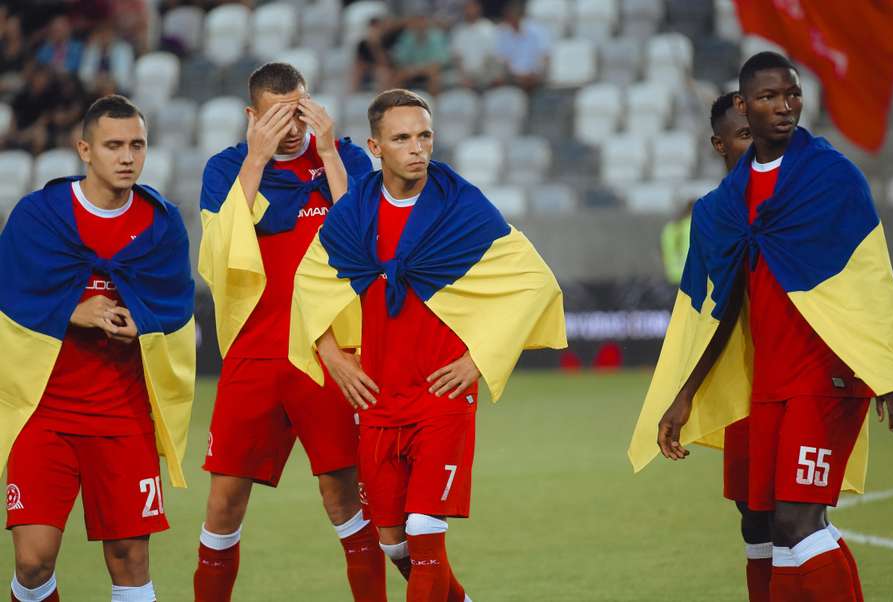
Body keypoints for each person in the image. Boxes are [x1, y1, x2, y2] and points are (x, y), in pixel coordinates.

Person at [629, 52, 893, 601]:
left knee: (799, 523)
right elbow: (722, 307)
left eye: (792, 94)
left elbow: (871, 276)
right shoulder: (726, 205)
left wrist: (889, 371)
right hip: (768, 384)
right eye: (770, 97)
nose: (784, 106)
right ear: (745, 108)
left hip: (827, 375)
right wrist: (685, 394)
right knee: (775, 529)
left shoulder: (830, 174)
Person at [289, 88, 567, 601]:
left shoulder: (462, 205)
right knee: (391, 540)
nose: (417, 148)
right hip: (377, 398)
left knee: (423, 530)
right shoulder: (355, 211)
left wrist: (479, 358)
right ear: (375, 147)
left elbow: (537, 284)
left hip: (442, 396)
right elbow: (309, 282)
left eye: (424, 135)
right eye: (401, 138)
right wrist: (330, 354)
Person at [193, 62, 386, 601]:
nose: (294, 126)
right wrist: (256, 158)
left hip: (332, 356)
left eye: (300, 110)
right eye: (278, 115)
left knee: (345, 499)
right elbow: (219, 258)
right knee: (223, 504)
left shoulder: (344, 157)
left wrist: (327, 155)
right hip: (253, 357)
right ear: (252, 116)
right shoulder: (226, 168)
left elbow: (366, 239)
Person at [1, 94, 195, 602]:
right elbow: (9, 292)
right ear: (84, 149)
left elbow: (175, 304)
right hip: (45, 413)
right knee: (33, 560)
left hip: (123, 414)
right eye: (113, 145)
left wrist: (144, 322)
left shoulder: (161, 222)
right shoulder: (39, 216)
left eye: (137, 144)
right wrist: (71, 310)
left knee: (129, 561)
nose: (127, 156)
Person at [493, 0, 550, 91]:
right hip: (513, 78)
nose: (512, 21)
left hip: (535, 77)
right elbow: (503, 60)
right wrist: (518, 76)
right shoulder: (502, 33)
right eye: (510, 18)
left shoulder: (538, 31)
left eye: (515, 17)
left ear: (521, 16)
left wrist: (534, 74)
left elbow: (545, 57)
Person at [391, 14, 451, 96]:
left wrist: (421, 69)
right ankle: (398, 104)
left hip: (429, 69)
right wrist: (412, 69)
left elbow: (441, 61)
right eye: (417, 24)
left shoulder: (436, 36)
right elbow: (399, 58)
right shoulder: (408, 36)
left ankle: (433, 102)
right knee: (398, 75)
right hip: (412, 69)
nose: (419, 26)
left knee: (433, 72)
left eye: (422, 24)